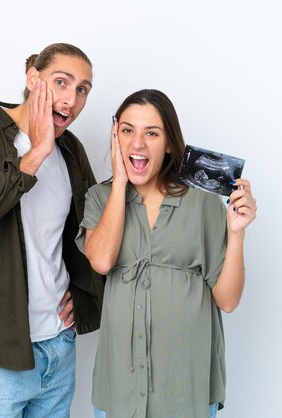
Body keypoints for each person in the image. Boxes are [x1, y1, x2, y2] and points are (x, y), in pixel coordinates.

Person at [0, 43, 104, 418]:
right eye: (61, 82)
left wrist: (83, 294)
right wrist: (35, 153)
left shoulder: (71, 151)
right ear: (33, 80)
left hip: (57, 349)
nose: (71, 99)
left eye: (82, 89)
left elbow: (91, 233)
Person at [76, 89, 257, 418]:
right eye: (127, 130)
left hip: (185, 387)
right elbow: (101, 261)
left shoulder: (202, 202)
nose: (138, 144)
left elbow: (228, 301)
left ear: (170, 143)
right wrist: (119, 183)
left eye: (152, 133)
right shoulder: (100, 198)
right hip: (120, 387)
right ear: (116, 138)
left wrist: (237, 233)